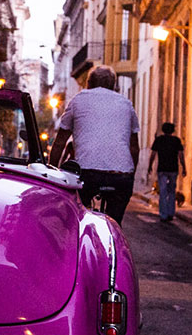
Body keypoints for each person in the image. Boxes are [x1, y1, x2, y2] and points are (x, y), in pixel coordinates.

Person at [49, 65, 140, 225]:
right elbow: (134, 147)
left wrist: (51, 173)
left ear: (88, 83)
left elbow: (59, 143)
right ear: (113, 85)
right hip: (121, 175)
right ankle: (114, 230)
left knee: (78, 219)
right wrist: (130, 174)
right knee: (115, 222)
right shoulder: (126, 103)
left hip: (86, 173)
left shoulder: (77, 100)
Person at [147, 122, 186, 222]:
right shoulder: (176, 141)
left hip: (162, 169)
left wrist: (150, 166)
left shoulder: (159, 140)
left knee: (163, 192)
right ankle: (171, 213)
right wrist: (184, 167)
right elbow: (181, 155)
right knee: (172, 191)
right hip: (173, 169)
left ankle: (163, 214)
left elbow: (153, 154)